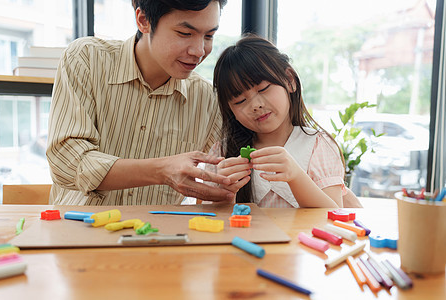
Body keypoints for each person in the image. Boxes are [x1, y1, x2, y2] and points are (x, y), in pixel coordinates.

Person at [46, 0, 236, 206]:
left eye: (209, 36)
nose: (199, 51)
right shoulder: (86, 59)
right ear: (143, 20)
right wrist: (162, 170)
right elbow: (65, 162)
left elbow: (228, 168)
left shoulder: (207, 99)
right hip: (78, 229)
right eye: (185, 33)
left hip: (158, 235)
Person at [208, 35, 362, 208]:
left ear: (289, 80)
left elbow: (334, 216)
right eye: (240, 101)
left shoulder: (318, 146)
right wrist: (225, 194)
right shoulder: (222, 152)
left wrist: (296, 176)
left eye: (264, 89)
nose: (256, 105)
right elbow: (207, 221)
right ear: (230, 110)